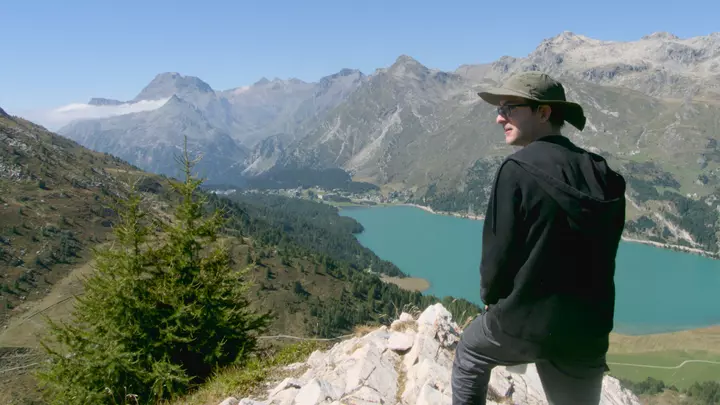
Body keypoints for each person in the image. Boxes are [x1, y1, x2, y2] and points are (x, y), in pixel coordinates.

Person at [450, 72, 627, 405]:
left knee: (470, 353)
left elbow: (497, 259)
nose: (499, 117)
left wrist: (493, 301)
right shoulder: (606, 175)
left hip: (524, 324)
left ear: (544, 113)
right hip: (587, 330)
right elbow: (606, 252)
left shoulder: (515, 169)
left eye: (510, 108)